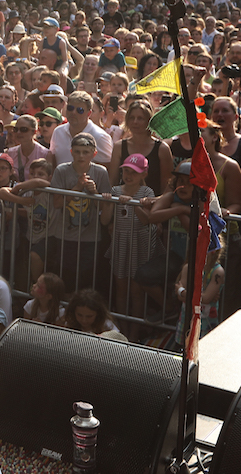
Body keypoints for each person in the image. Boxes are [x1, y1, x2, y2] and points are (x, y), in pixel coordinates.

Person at [101, 153, 160, 339]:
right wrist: (109, 201)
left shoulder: (147, 193)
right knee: (120, 288)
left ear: (143, 173)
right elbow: (104, 221)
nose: (128, 175)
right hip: (121, 243)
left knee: (136, 291)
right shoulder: (116, 190)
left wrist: (135, 204)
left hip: (139, 245)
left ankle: (134, 333)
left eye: (133, 172)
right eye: (126, 170)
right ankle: (122, 331)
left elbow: (146, 220)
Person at [51, 133, 112, 291]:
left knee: (86, 278)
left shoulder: (101, 172)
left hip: (90, 237)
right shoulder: (61, 170)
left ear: (94, 153)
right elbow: (56, 203)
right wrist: (77, 189)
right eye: (77, 151)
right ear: (71, 152)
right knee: (65, 277)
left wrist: (95, 192)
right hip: (64, 235)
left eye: (85, 152)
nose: (81, 156)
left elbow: (103, 207)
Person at [174, 243, 225, 344]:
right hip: (186, 320)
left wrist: (183, 292)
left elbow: (206, 299)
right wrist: (198, 295)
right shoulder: (188, 268)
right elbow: (180, 297)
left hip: (206, 323)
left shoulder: (217, 271)